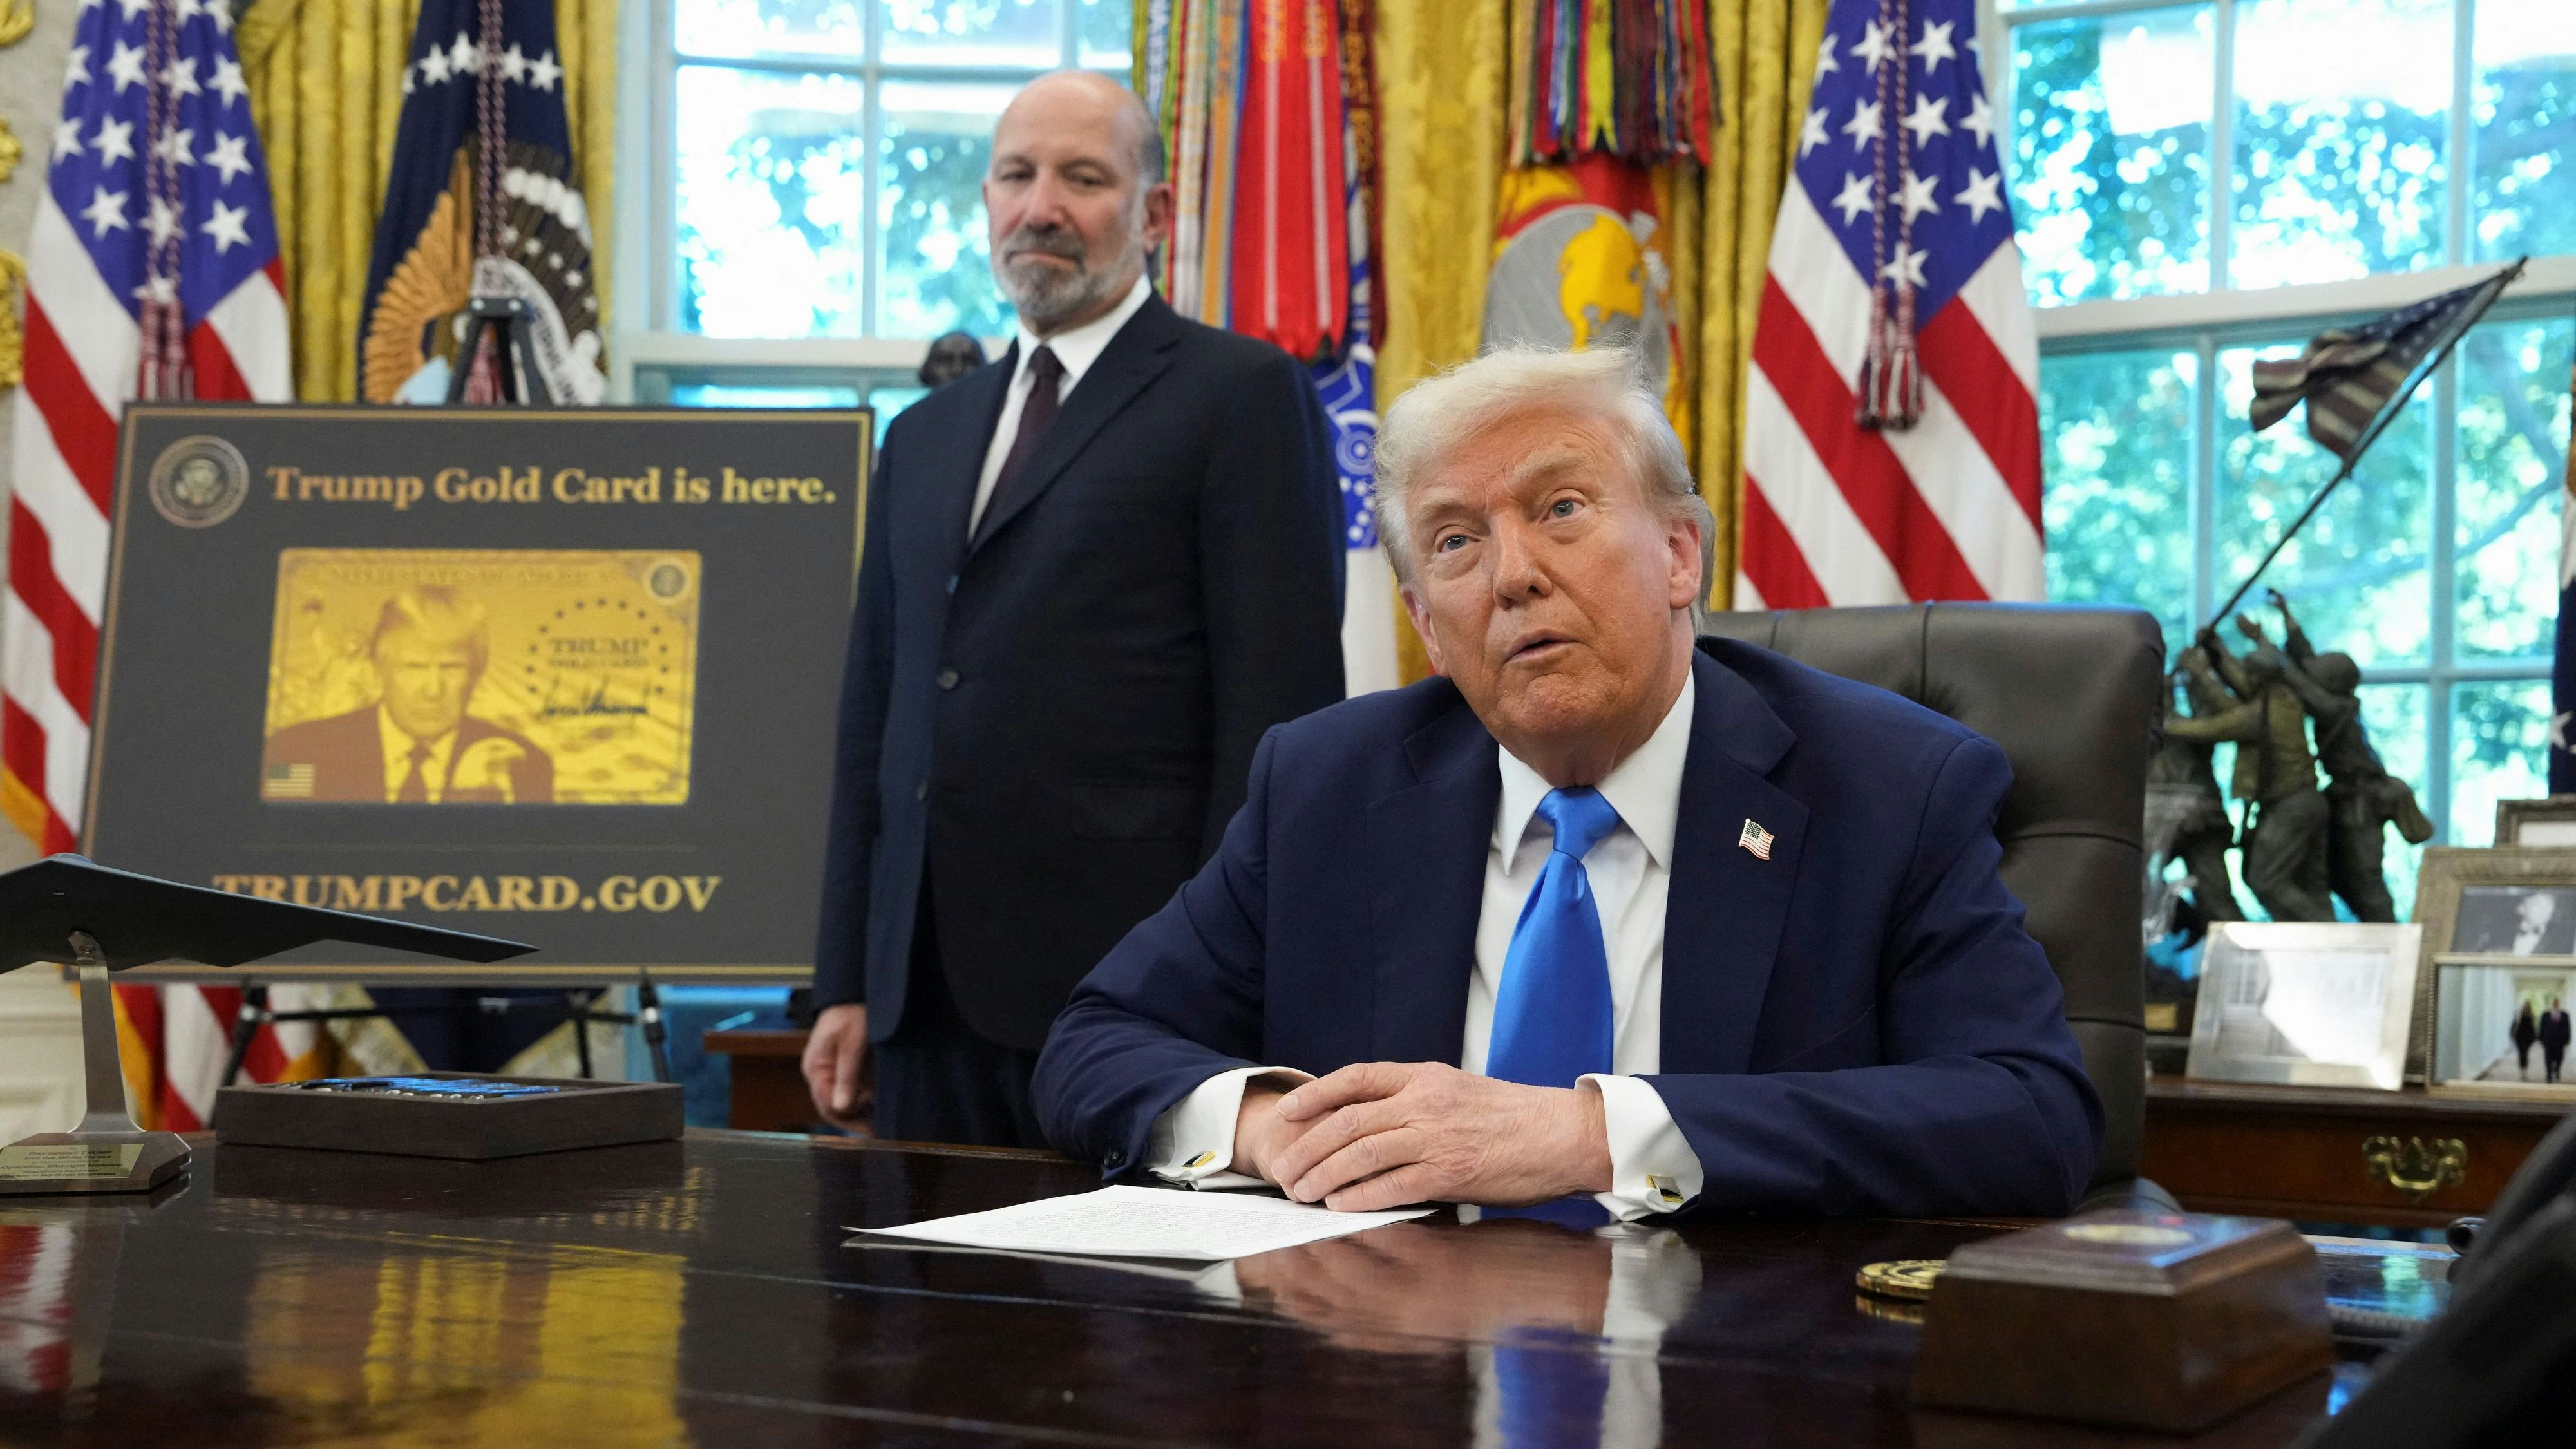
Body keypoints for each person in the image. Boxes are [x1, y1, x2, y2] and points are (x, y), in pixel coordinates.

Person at [1031, 348, 2102, 1220]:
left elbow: (2030, 1114)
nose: (1514, 574)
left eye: (1562, 510)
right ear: (1424, 629)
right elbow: (1093, 1044)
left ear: (1681, 555)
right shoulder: (1325, 785)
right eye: (1456, 540)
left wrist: (1589, 1137)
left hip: (1738, 1377)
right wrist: (1274, 1126)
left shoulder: (1889, 786)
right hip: (1391, 1378)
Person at [805, 71, 1347, 1146]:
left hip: (1130, 1000)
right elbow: (881, 716)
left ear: (1151, 215)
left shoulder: (1240, 397)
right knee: (914, 1317)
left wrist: (1220, 987)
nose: (1040, 205)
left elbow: (1275, 715)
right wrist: (848, 977)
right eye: (1016, 176)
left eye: (1081, 177)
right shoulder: (923, 435)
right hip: (922, 1004)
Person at [261, 586, 554, 804]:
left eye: (451, 668)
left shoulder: (524, 764)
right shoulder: (298, 750)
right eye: (415, 667)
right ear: (379, 670)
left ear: (476, 675)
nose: (433, 689)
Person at [2260, 591, 2432, 923]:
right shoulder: (2339, 703)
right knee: (2340, 876)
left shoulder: (2335, 709)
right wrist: (2287, 615)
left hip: (2360, 803)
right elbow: (2305, 661)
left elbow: (2301, 682)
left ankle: (2390, 943)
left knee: (2364, 879)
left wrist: (2268, 648)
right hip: (2344, 799)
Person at [2165, 620, 2333, 922]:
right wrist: (2218, 650)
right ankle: (2317, 939)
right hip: (2302, 802)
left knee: (2265, 880)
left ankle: (2326, 934)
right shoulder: (2284, 698)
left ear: (2259, 679)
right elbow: (2240, 691)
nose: (2243, 678)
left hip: (2291, 806)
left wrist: (2199, 675)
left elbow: (2208, 727)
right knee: (2308, 883)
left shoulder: (2256, 716)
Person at [2541, 998, 2571, 1085]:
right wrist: (2542, 1039)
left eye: (2557, 1003)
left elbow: (2568, 1028)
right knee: (2548, 1059)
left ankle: (2557, 1070)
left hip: (2560, 1042)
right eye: (2554, 1003)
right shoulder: (2546, 1015)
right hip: (2549, 1041)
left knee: (2560, 1058)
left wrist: (2567, 1039)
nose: (2555, 1004)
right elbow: (2542, 1028)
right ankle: (2549, 1076)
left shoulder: (2564, 1015)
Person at [2511, 999, 2539, 1079]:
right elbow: (2514, 1026)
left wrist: (2533, 1038)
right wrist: (2512, 1036)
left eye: (2527, 1006)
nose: (2526, 1007)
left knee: (2525, 1054)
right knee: (2521, 1054)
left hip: (2528, 1039)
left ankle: (2525, 1070)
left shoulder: (2531, 1015)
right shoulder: (2518, 1015)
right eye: (2525, 1006)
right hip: (2519, 1037)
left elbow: (2533, 1028)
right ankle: (2521, 1071)